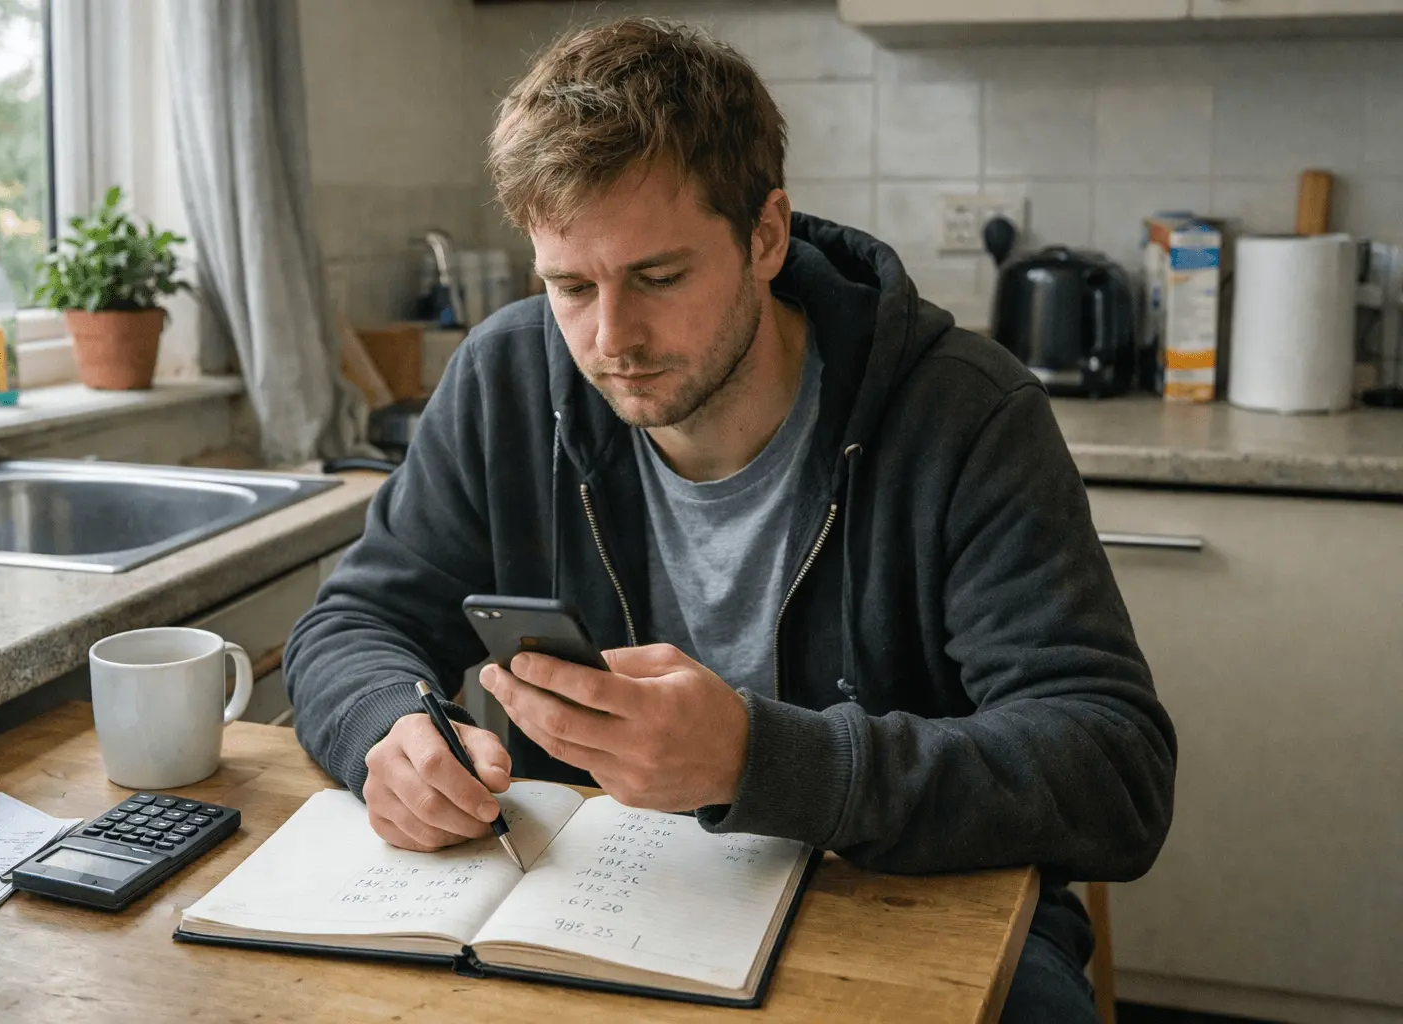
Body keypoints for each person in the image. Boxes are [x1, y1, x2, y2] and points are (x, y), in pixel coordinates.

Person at [285, 17, 1176, 1022]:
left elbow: (1112, 771)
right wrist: (386, 729)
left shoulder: (962, 411)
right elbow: (348, 625)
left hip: (909, 912)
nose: (610, 338)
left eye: (658, 277)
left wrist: (760, 762)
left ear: (765, 235)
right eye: (570, 286)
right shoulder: (504, 379)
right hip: (598, 920)